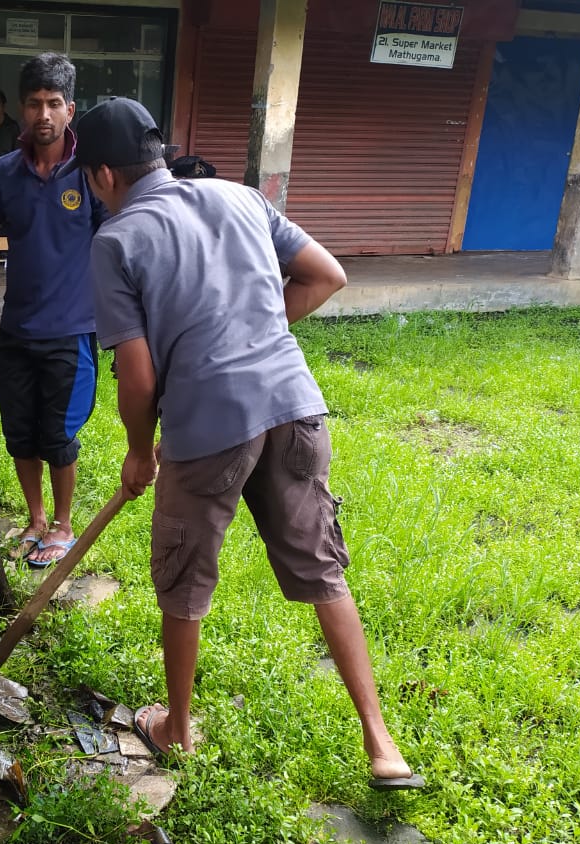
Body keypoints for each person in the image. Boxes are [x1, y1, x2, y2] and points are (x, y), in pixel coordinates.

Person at [67, 97, 423, 791]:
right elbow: (327, 275)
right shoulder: (240, 196)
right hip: (294, 407)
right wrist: (258, 330)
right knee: (324, 569)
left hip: (208, 428)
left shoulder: (115, 242)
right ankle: (382, 745)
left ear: (103, 174)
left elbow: (137, 376)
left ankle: (176, 727)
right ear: (159, 157)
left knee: (183, 577)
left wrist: (140, 451)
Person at [0, 54, 108, 569]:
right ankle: (36, 518)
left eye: (53, 104)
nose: (43, 114)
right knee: (19, 433)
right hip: (18, 330)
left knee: (58, 435)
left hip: (71, 331)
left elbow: (116, 241)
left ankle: (64, 526)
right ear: (22, 109)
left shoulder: (91, 173)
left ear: (70, 109)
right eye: (33, 104)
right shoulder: (5, 172)